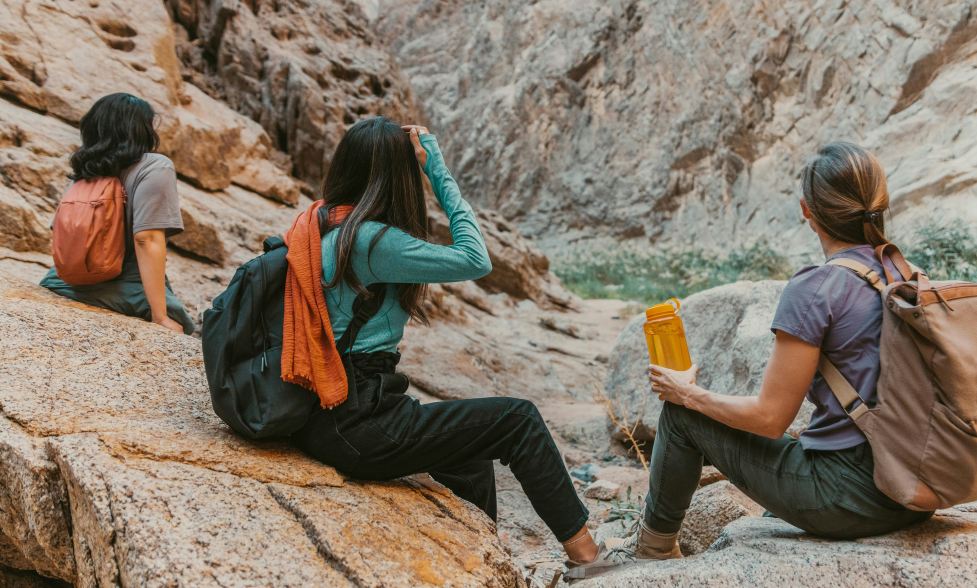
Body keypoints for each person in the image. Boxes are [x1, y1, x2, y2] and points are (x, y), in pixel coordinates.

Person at [572, 142, 934, 580]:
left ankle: (651, 551)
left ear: (807, 210)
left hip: (851, 498)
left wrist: (688, 393)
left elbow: (769, 419)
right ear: (879, 203)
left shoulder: (818, 287)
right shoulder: (905, 276)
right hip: (914, 490)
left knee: (682, 415)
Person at [285, 117, 603, 568]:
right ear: (397, 176)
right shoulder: (372, 241)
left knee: (469, 454)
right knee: (518, 419)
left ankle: (481, 557)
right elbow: (476, 258)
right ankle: (589, 559)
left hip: (331, 414)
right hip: (358, 423)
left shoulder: (330, 225)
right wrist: (436, 168)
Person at [41, 93, 194, 334]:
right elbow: (147, 239)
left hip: (58, 282)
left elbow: (59, 233)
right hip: (122, 287)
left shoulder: (84, 173)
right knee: (183, 324)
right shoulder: (154, 166)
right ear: (141, 129)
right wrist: (161, 316)